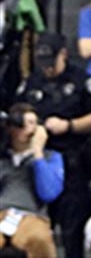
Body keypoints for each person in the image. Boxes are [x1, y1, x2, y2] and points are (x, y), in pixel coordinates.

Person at [16, 32, 91, 258]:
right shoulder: (32, 82)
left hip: (72, 159)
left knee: (73, 229)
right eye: (42, 62)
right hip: (38, 160)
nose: (47, 68)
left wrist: (70, 125)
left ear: (64, 54)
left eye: (51, 61)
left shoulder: (81, 80)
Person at [0, 103, 62, 258]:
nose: (27, 129)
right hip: (2, 212)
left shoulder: (50, 157)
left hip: (32, 215)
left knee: (39, 240)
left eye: (32, 123)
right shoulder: (3, 158)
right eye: (21, 124)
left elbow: (48, 193)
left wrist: (38, 153)